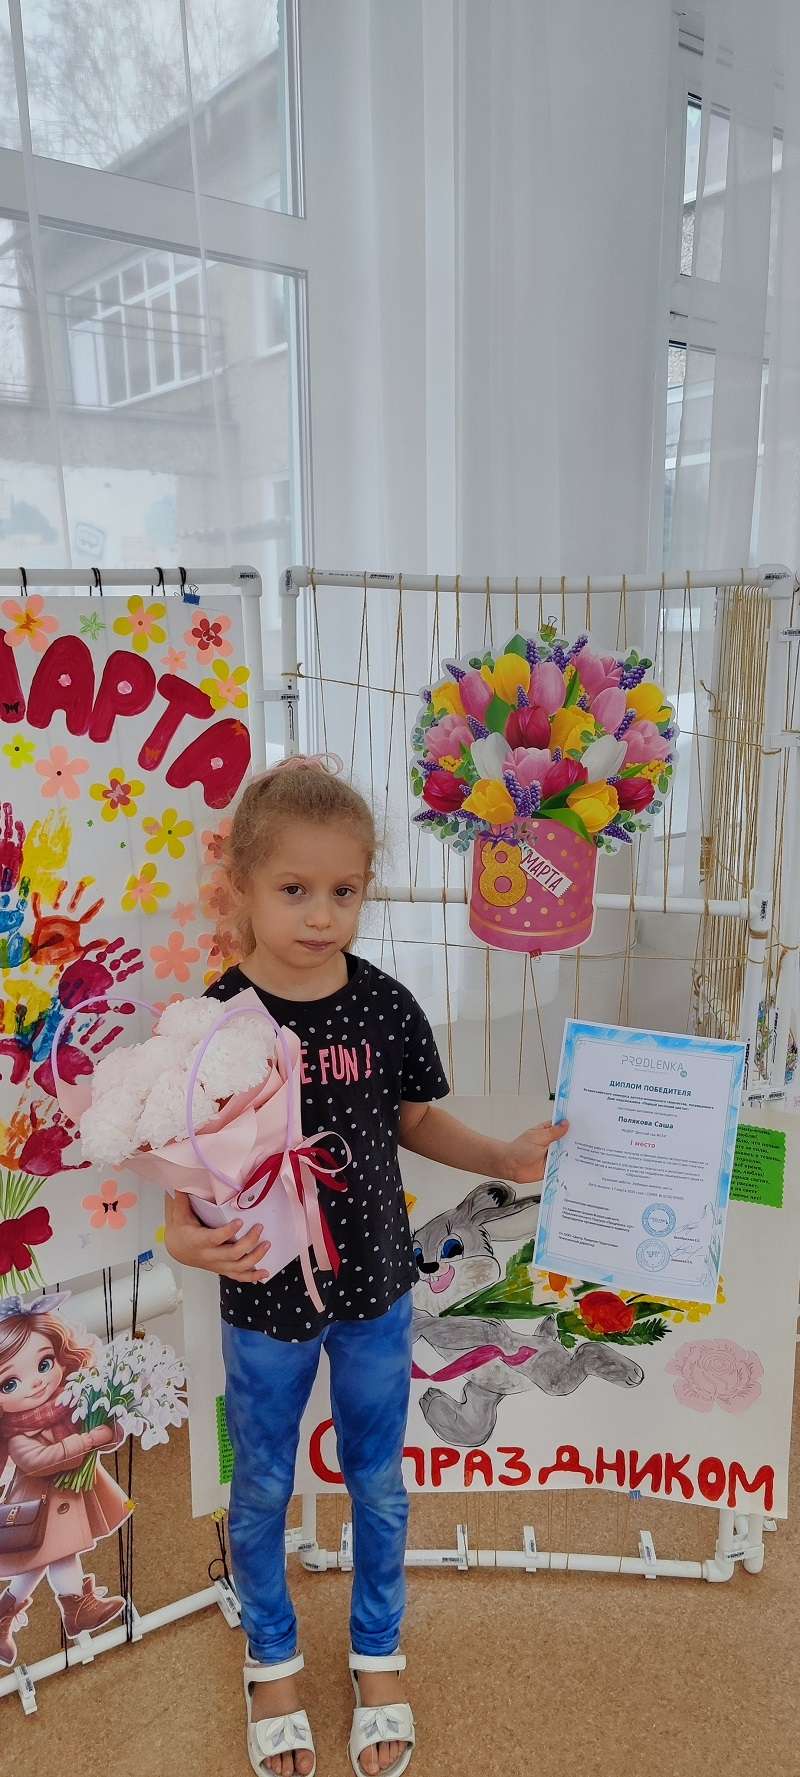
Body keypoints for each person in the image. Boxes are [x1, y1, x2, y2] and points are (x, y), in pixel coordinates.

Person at [165, 757, 565, 1777]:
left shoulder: (384, 1005)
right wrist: (179, 1235)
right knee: (261, 1482)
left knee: (378, 1483)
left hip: (377, 1293)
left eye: (343, 890)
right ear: (242, 887)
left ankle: (378, 1653)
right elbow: (186, 1157)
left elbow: (415, 1119)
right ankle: (271, 1660)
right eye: (294, 889)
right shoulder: (216, 1018)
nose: (321, 914)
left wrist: (504, 1157)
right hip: (263, 1295)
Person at [0, 1295, 128, 1668]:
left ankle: (5, 1613)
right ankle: (76, 1607)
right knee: (57, 1550)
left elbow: (107, 1431)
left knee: (41, 1558)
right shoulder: (16, 1433)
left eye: (44, 1364)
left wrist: (110, 1426)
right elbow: (39, 1461)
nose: (36, 1384)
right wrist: (89, 1439)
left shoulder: (73, 1400)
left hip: (68, 1498)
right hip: (39, 1503)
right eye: (9, 1383)